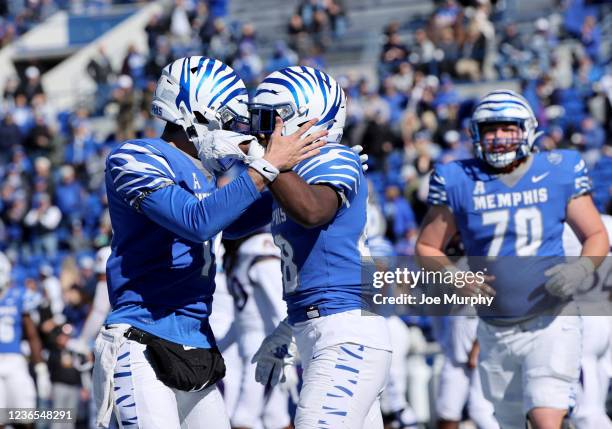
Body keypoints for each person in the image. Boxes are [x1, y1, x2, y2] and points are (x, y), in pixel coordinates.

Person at [92, 56, 326, 429]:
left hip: (197, 342)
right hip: (142, 340)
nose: (236, 130)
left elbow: (230, 226)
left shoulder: (202, 174)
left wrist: (305, 176)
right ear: (195, 113)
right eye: (229, 119)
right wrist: (265, 167)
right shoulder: (134, 157)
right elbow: (197, 222)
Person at [415, 90, 609, 429]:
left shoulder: (558, 169)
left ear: (528, 129)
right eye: (490, 129)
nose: (499, 137)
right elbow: (427, 247)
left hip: (551, 318)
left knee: (546, 416)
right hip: (494, 326)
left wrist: (580, 268)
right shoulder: (457, 179)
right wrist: (455, 277)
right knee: (507, 422)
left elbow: (596, 235)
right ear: (476, 133)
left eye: (508, 128)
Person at [233, 66, 393, 428]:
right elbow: (229, 224)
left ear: (309, 119)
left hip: (346, 332)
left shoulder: (334, 159)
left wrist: (267, 162)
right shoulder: (288, 176)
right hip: (320, 329)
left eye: (271, 120)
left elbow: (312, 211)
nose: (263, 131)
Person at [224, 230, 294, 429]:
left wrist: (289, 345)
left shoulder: (257, 245)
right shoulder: (239, 252)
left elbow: (280, 304)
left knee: (244, 418)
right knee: (276, 419)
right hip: (252, 346)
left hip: (266, 347)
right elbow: (242, 318)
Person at [563, 215, 612, 429]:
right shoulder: (608, 223)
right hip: (605, 314)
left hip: (581, 319)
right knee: (595, 408)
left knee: (586, 414)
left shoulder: (563, 229)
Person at [0, 251, 51, 428]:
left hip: (15, 360)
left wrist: (40, 367)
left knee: (25, 417)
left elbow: (32, 335)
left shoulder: (18, 296)